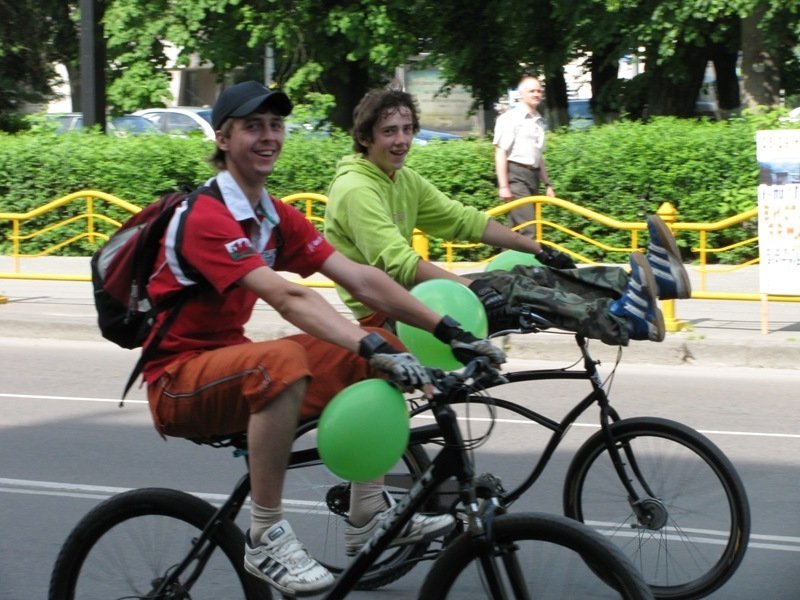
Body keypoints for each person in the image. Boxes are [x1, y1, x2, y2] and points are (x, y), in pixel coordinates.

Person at [141, 80, 506, 597]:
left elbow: (360, 278)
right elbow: (289, 298)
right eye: (253, 127)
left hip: (228, 362)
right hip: (178, 380)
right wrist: (367, 345)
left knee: (380, 346)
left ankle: (368, 513)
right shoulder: (206, 216)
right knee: (284, 361)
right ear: (223, 139)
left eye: (275, 125)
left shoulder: (271, 215)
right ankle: (265, 534)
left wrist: (449, 330)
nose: (269, 136)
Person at [324, 87, 692, 347]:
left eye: (407, 130)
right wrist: (472, 289)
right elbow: (399, 264)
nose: (402, 140)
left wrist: (536, 248)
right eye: (389, 131)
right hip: (390, 317)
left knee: (532, 273)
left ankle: (649, 284)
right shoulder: (356, 189)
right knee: (509, 287)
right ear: (365, 138)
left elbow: (464, 221)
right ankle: (620, 320)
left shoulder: (401, 178)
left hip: (419, 298)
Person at [493, 75, 554, 237]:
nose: (536, 94)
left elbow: (538, 156)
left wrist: (548, 184)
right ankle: (532, 254)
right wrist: (504, 186)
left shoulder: (538, 120)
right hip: (516, 175)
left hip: (533, 175)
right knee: (529, 228)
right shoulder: (510, 118)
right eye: (531, 91)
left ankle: (506, 254)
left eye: (539, 91)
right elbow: (500, 152)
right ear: (521, 94)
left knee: (516, 228)